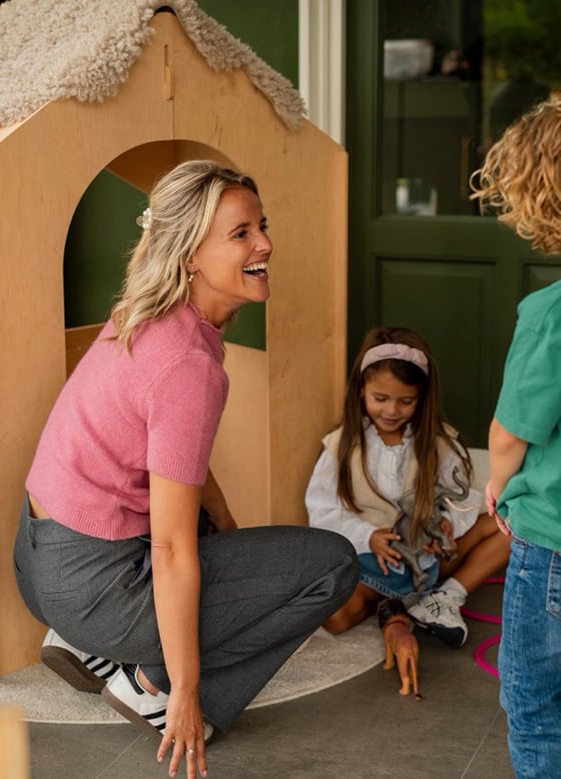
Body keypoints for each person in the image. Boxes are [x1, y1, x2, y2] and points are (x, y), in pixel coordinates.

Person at [13, 160, 358, 779]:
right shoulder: (187, 366)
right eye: (241, 234)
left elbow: (173, 462)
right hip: (92, 587)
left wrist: (222, 519)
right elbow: (171, 549)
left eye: (262, 226)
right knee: (331, 565)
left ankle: (84, 647)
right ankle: (147, 681)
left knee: (203, 524)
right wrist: (187, 692)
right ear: (191, 253)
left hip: (40, 563)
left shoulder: (145, 312)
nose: (265, 244)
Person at [305, 326, 510, 648]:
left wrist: (445, 524)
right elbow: (321, 510)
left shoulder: (440, 443)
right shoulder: (341, 445)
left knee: (510, 525)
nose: (391, 411)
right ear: (361, 389)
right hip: (371, 564)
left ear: (422, 397)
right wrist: (367, 536)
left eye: (405, 401)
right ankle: (395, 605)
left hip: (430, 560)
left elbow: (463, 498)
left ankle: (447, 595)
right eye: (380, 398)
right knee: (334, 618)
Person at [471, 93, 561, 778]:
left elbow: (509, 432)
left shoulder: (550, 314)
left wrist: (497, 485)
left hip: (553, 548)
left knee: (535, 705)